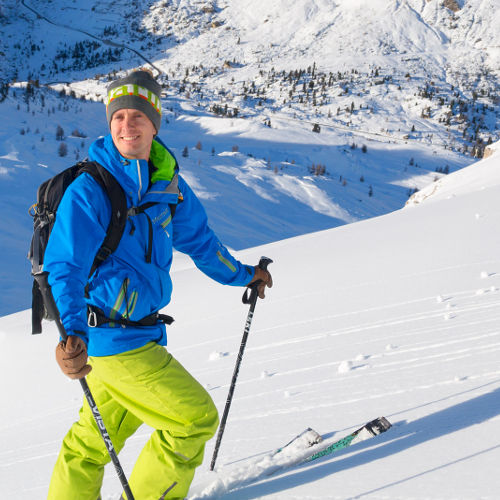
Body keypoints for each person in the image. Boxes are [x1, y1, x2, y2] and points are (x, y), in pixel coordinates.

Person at [44, 69, 272, 500]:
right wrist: (71, 333)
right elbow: (65, 267)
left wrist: (246, 275)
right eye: (118, 117)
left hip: (140, 332)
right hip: (110, 338)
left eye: (137, 116)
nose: (126, 125)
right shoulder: (91, 189)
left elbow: (203, 244)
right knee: (194, 419)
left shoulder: (168, 186)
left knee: (90, 445)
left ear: (155, 123)